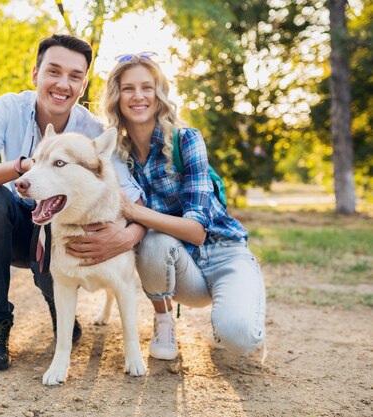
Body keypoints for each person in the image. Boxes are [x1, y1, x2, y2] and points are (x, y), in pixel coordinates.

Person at [0, 35, 145, 371]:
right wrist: (25, 167)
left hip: (61, 227)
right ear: (35, 74)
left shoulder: (91, 134)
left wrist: (129, 237)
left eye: (74, 76)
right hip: (14, 226)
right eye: (53, 72)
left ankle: (60, 309)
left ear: (83, 85)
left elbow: (132, 198)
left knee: (68, 217)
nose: (62, 84)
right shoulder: (8, 108)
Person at [102, 52, 266, 360]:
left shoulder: (186, 139)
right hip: (178, 269)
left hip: (223, 253)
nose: (138, 96)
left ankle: (233, 315)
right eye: (128, 88)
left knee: (240, 340)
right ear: (117, 96)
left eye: (147, 87)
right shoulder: (115, 157)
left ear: (159, 94)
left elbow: (197, 232)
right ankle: (164, 321)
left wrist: (136, 212)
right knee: (152, 241)